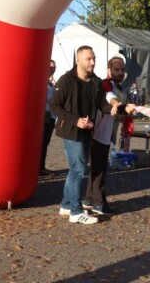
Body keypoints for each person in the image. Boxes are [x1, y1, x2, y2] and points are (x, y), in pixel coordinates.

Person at [50, 45, 113, 225]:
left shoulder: (96, 81)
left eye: (94, 58)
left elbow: (102, 105)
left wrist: (118, 109)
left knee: (75, 169)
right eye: (89, 59)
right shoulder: (66, 80)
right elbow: (55, 106)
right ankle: (76, 212)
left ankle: (66, 205)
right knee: (79, 169)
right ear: (78, 60)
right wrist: (75, 120)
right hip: (70, 130)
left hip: (87, 130)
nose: (93, 62)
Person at [83, 56, 127, 215]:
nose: (120, 72)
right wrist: (116, 104)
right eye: (116, 69)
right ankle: (99, 203)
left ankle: (88, 199)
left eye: (122, 69)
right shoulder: (106, 83)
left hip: (106, 132)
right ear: (109, 70)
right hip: (99, 132)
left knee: (97, 167)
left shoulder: (118, 85)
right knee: (99, 168)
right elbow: (109, 96)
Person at [39, 59, 57, 176]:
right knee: (42, 143)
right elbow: (49, 99)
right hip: (43, 116)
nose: (52, 69)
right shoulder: (43, 83)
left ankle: (41, 166)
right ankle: (40, 167)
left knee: (45, 143)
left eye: (54, 67)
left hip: (50, 116)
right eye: (50, 67)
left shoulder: (51, 84)